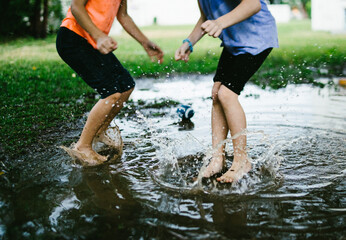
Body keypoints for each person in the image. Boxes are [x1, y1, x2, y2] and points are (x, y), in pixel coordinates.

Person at [175, 0, 278, 183]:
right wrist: (189, 43)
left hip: (256, 38)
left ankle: (241, 161)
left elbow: (253, 4)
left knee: (226, 94)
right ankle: (217, 159)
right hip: (234, 42)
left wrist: (220, 23)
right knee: (216, 94)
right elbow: (206, 17)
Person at [57, 0, 164, 166]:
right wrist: (99, 36)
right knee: (111, 92)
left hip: (93, 41)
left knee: (126, 86)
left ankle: (99, 132)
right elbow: (76, 7)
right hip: (74, 37)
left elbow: (123, 15)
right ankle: (82, 146)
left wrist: (144, 42)